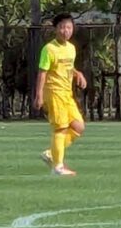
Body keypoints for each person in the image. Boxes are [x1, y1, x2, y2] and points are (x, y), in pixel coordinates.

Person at [33, 12, 86, 176]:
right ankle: (58, 167)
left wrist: (78, 74)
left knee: (78, 126)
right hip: (54, 93)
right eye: (62, 27)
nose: (66, 31)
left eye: (69, 27)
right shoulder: (49, 49)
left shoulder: (71, 48)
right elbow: (42, 73)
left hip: (67, 94)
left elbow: (68, 67)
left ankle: (51, 154)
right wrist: (39, 95)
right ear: (56, 29)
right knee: (60, 128)